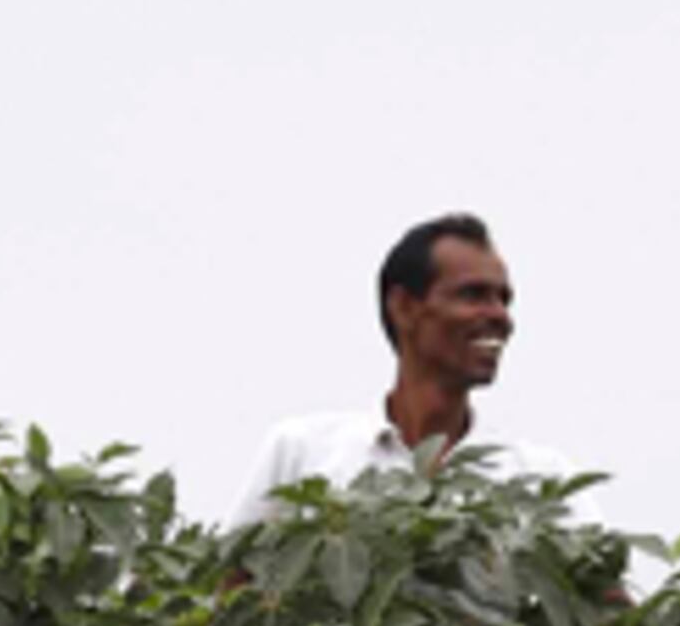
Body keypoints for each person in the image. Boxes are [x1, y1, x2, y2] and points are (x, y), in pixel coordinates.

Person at [229, 214, 562, 524]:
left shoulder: (538, 476)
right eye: (473, 295)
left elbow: (599, 584)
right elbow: (228, 582)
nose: (500, 316)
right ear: (403, 306)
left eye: (504, 300)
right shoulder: (304, 452)